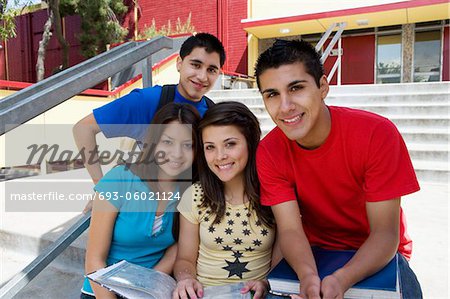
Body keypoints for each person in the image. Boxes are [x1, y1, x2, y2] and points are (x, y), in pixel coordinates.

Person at [254, 39, 422, 299]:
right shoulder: (269, 151)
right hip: (313, 253)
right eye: (272, 94)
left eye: (296, 88)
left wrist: (341, 280)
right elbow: (289, 229)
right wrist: (308, 276)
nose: (285, 106)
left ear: (322, 87)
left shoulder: (376, 134)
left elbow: (385, 234)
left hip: (378, 255)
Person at [73, 33, 225, 187]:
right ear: (179, 63)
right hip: (151, 200)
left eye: (211, 70)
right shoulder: (148, 101)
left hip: (193, 201)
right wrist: (100, 186)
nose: (202, 76)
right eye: (196, 65)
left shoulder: (213, 114)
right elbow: (83, 129)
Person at [81, 103, 200, 299]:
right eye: (168, 142)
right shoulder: (119, 179)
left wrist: (147, 288)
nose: (177, 154)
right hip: (101, 291)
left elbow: (177, 247)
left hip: (152, 290)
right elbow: (94, 261)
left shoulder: (191, 190)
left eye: (187, 145)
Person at [172, 102, 281, 299]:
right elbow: (185, 259)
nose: (220, 156)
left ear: (250, 142)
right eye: (210, 147)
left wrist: (266, 282)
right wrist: (186, 280)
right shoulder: (195, 195)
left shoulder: (273, 191)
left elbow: (281, 260)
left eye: (230, 144)